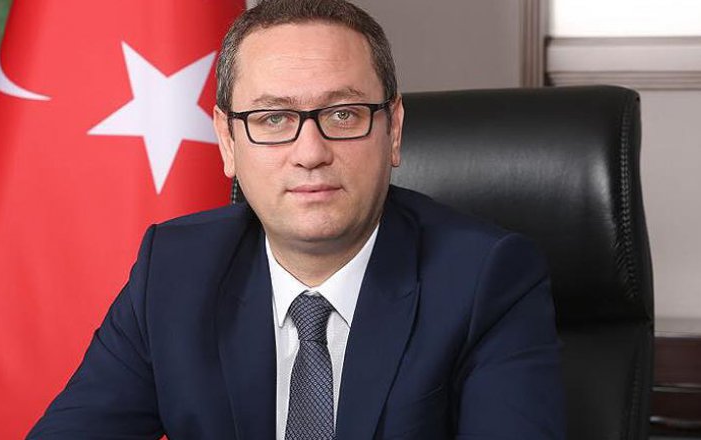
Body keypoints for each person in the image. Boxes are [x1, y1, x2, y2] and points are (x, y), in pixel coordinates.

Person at [29, 0, 565, 438]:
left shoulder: (486, 280)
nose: (310, 152)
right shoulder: (173, 271)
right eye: (273, 118)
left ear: (394, 130)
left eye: (343, 114)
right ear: (228, 141)